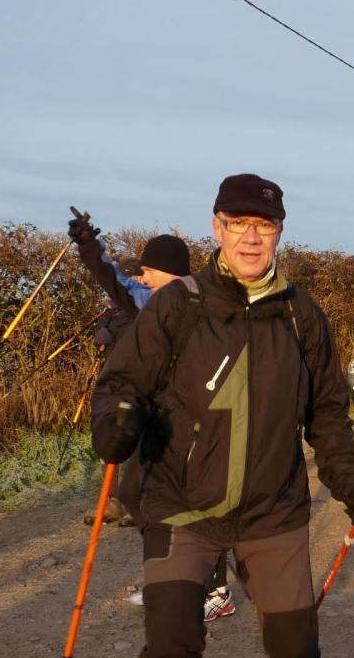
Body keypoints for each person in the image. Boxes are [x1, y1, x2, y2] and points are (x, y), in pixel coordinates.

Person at [91, 173, 354, 658]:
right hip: (179, 508)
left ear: (280, 231)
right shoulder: (178, 305)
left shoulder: (303, 315)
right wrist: (114, 422)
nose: (252, 237)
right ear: (217, 227)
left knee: (295, 651)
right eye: (238, 223)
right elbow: (119, 382)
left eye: (265, 225)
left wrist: (350, 486)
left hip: (273, 512)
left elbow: (328, 415)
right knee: (168, 656)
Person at [66, 217, 240, 619]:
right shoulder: (160, 299)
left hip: (192, 424)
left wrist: (92, 250)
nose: (140, 275)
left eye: (148, 269)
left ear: (171, 272)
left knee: (189, 505)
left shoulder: (182, 300)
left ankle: (213, 590)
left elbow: (120, 287)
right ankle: (173, 576)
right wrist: (90, 247)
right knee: (133, 496)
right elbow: (119, 286)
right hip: (159, 420)